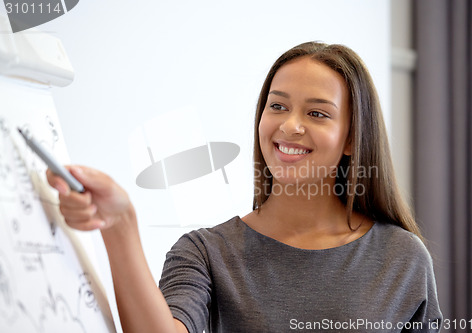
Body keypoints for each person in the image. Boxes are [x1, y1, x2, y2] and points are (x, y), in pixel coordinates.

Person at [47, 42, 442, 332]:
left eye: (317, 113)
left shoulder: (402, 258)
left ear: (352, 138)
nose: (290, 126)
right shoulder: (205, 253)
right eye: (278, 106)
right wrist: (120, 225)